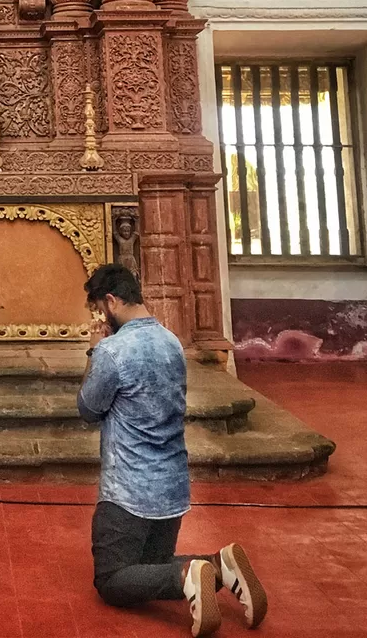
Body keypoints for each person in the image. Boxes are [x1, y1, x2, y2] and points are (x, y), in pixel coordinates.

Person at [78, 263, 267, 636]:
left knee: (112, 580)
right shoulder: (171, 342)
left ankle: (187, 576)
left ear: (112, 301)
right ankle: (219, 564)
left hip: (128, 493)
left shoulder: (113, 351)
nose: (101, 317)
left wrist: (93, 351)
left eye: (100, 308)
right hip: (172, 489)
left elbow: (88, 409)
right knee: (152, 566)